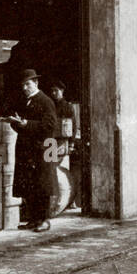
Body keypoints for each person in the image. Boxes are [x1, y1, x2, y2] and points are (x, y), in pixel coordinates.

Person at [7, 69, 59, 231]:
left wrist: (26, 124)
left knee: (43, 184)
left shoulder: (46, 101)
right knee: (29, 184)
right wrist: (15, 123)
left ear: (36, 83)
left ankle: (44, 220)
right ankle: (33, 219)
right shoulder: (24, 101)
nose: (25, 88)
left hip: (43, 148)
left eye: (28, 84)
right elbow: (20, 123)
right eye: (22, 85)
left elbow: (50, 125)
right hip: (27, 148)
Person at [48, 79, 79, 210]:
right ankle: (54, 199)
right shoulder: (49, 105)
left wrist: (71, 144)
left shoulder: (67, 106)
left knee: (63, 170)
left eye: (56, 90)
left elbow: (73, 126)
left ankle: (69, 200)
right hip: (50, 141)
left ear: (62, 91)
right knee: (50, 168)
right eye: (52, 91)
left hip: (62, 142)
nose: (54, 93)